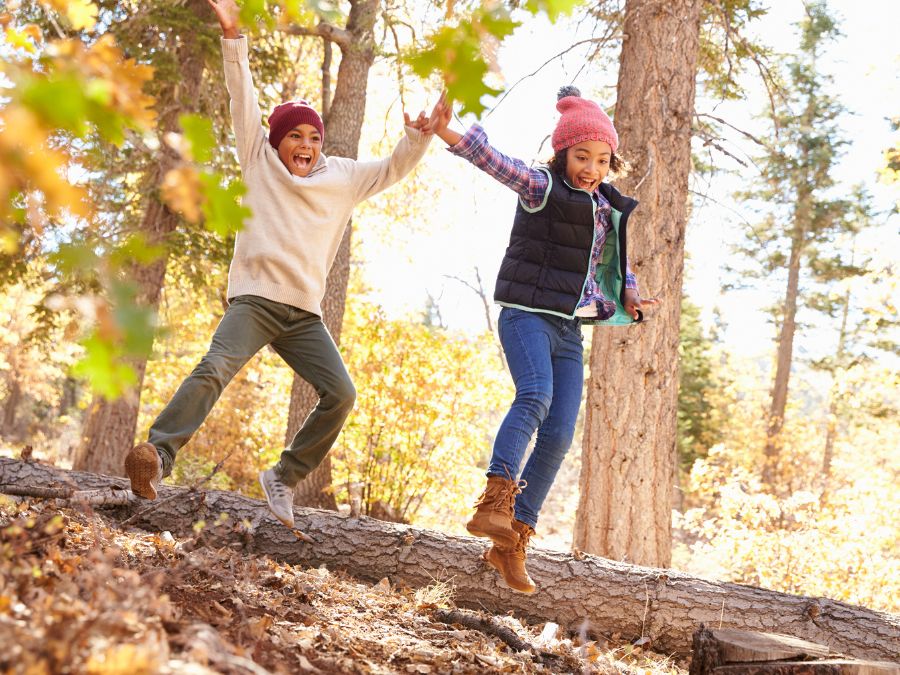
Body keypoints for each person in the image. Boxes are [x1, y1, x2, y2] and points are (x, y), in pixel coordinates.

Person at [124, 0, 434, 529]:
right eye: (295, 135)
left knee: (342, 394)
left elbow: (394, 168)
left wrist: (419, 136)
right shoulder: (258, 159)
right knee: (215, 367)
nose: (306, 145)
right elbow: (240, 95)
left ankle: (284, 477)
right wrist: (232, 36)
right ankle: (157, 457)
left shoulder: (342, 176)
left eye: (313, 137)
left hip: (304, 315)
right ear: (277, 140)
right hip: (257, 300)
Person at [425, 87, 659, 593]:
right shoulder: (542, 187)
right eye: (581, 156)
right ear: (562, 154)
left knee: (558, 434)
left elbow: (607, 265)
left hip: (570, 329)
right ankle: (495, 504)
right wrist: (448, 129)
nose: (591, 168)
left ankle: (511, 543)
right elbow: (496, 162)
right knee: (535, 394)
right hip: (527, 315)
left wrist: (632, 296)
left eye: (601, 160)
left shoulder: (603, 208)